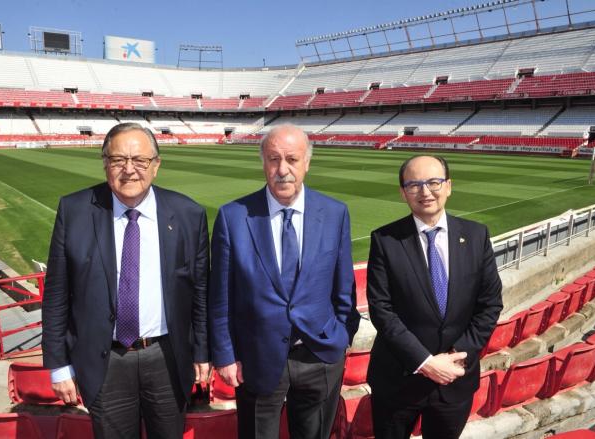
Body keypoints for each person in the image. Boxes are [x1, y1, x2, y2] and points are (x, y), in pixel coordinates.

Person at [42, 123, 210, 439]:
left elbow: (200, 291)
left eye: (140, 160)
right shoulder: (74, 210)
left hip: (166, 359)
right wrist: (58, 365)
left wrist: (202, 351)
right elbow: (56, 295)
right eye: (118, 160)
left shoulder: (189, 214)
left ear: (156, 166)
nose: (129, 170)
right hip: (105, 362)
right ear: (105, 163)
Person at [209, 124, 360, 439]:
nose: (282, 170)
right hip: (256, 357)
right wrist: (225, 354)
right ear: (262, 161)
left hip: (319, 353)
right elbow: (221, 295)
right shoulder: (233, 216)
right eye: (273, 159)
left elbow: (343, 286)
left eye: (292, 159)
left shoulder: (334, 213)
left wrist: (341, 337)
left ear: (307, 162)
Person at [366, 155, 503, 439]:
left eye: (433, 182)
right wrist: (425, 362)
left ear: (449, 186)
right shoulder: (385, 240)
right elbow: (382, 310)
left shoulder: (477, 236)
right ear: (403, 192)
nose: (425, 191)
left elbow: (489, 305)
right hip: (398, 380)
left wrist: (455, 357)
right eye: (414, 184)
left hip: (455, 379)